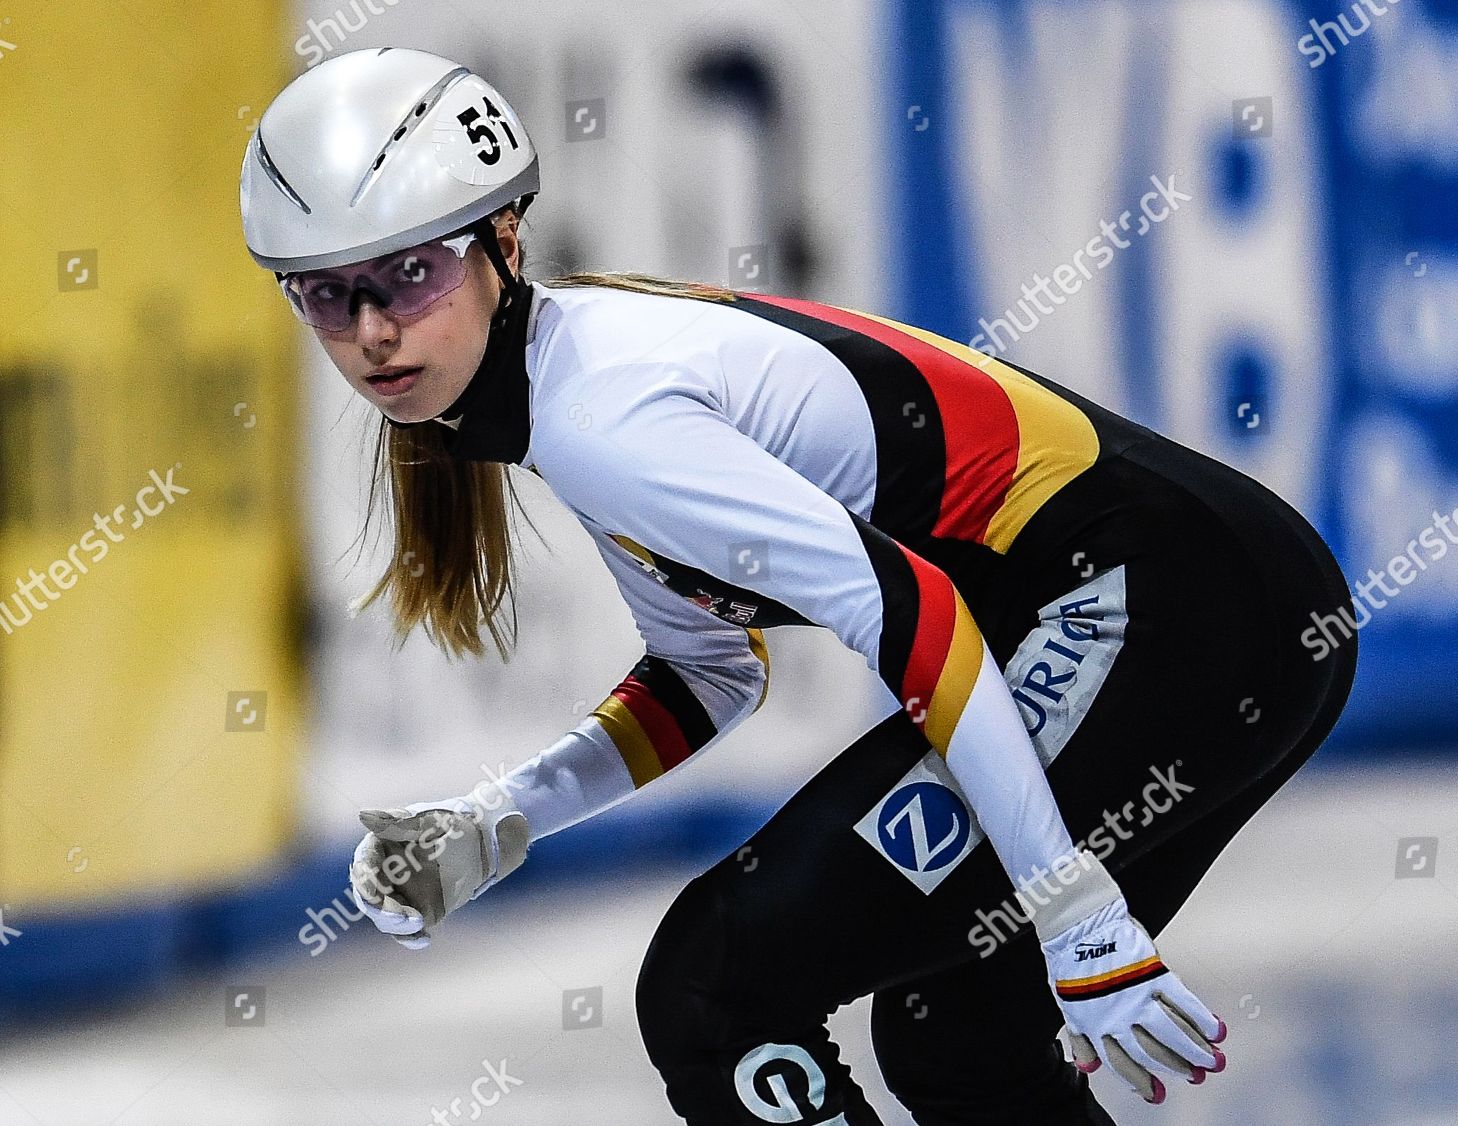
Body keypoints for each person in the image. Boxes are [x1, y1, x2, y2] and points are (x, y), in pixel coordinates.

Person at [240, 47, 1358, 1126]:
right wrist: (501, 822)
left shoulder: (603, 415)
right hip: (1216, 592)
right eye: (330, 297)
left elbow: (914, 612)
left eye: (411, 275)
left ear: (504, 241)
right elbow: (706, 674)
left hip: (1180, 609)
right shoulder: (558, 385)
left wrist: (1072, 907)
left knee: (716, 983)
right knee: (958, 1032)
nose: (377, 331)